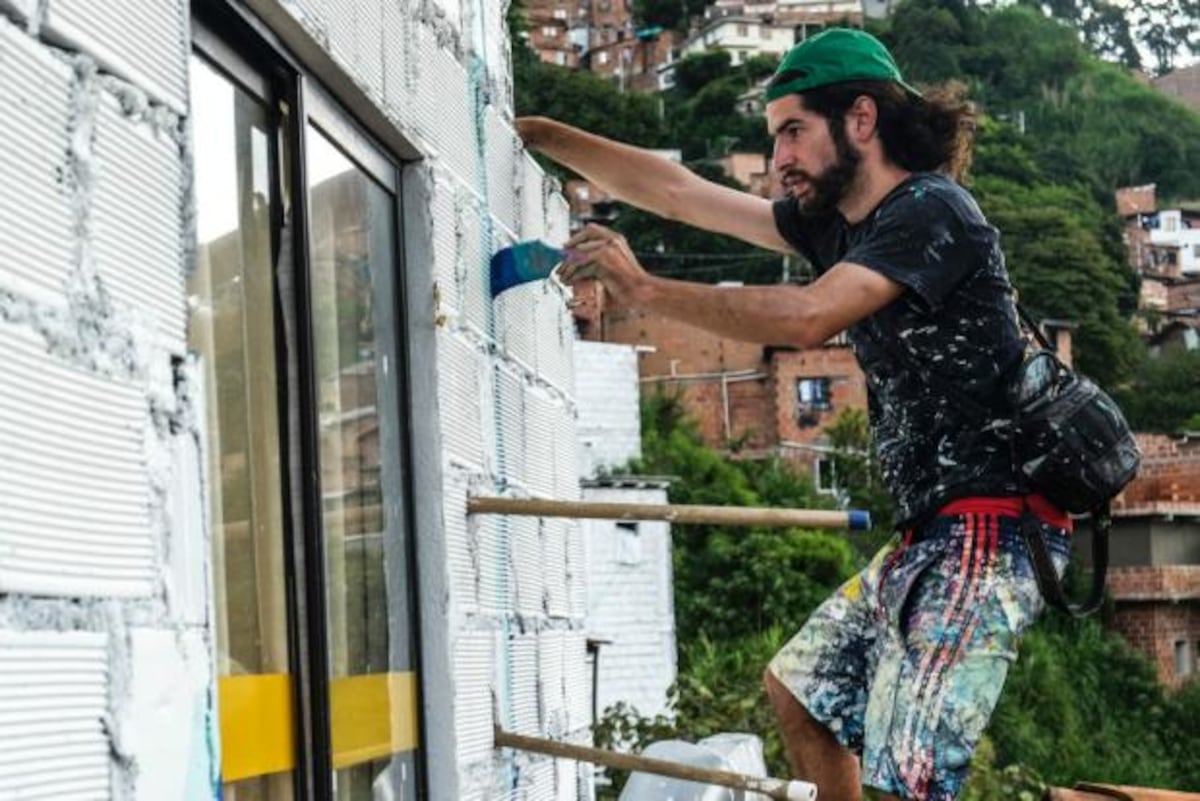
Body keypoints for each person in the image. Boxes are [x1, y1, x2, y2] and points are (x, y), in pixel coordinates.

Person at [517, 27, 1072, 801]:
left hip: (995, 523)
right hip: (933, 529)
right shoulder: (838, 226)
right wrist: (537, 132)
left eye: (792, 131)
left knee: (911, 777)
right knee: (802, 692)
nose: (779, 157)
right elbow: (680, 194)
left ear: (862, 119)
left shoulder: (932, 210)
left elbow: (810, 316)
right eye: (773, 137)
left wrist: (644, 291)